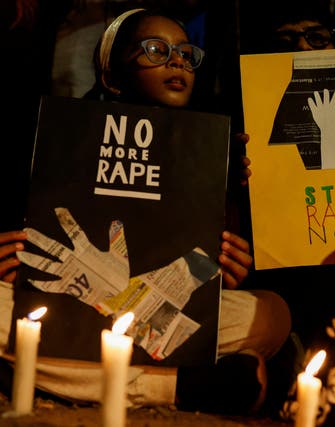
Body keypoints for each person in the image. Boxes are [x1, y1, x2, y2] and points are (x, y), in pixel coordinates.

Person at [0, 8, 290, 416]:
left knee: (270, 314)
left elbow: (212, 280)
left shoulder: (209, 153)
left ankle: (53, 375)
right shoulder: (61, 137)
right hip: (71, 312)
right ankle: (174, 387)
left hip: (156, 315)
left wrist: (229, 262)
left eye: (186, 54)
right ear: (111, 78)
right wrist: (8, 257)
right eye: (156, 50)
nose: (177, 61)